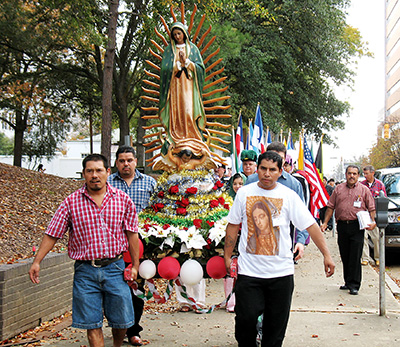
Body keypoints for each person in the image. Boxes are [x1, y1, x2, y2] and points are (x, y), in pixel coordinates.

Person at [224, 151, 335, 346]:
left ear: (280, 171)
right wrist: (227, 257)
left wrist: (327, 254)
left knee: (275, 331)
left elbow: (310, 226)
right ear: (257, 169)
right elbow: (233, 225)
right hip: (250, 273)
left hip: (281, 274)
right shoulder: (244, 194)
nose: (267, 174)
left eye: (272, 170)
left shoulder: (289, 196)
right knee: (246, 321)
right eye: (263, 169)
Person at [28, 154, 139, 347]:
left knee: (121, 321)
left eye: (99, 170)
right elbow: (52, 233)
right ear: (83, 174)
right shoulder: (71, 202)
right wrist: (37, 261)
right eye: (90, 171)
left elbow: (132, 235)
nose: (94, 175)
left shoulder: (122, 200)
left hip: (115, 269)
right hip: (85, 272)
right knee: (92, 324)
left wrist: (135, 265)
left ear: (108, 172)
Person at [108, 146, 156, 346]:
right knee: (117, 289)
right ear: (116, 163)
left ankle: (133, 330)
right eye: (121, 160)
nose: (125, 164)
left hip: (140, 243)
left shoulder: (150, 183)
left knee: (137, 287)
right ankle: (119, 327)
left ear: (136, 161)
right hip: (114, 243)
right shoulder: (108, 183)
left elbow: (158, 210)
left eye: (129, 160)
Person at [153, 22, 214, 171]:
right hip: (175, 87)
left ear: (184, 34)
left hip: (189, 87)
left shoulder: (193, 49)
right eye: (175, 35)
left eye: (179, 34)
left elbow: (201, 68)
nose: (177, 36)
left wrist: (187, 62)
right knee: (177, 112)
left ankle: (192, 137)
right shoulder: (169, 50)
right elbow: (165, 70)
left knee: (188, 111)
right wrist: (177, 66)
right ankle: (177, 137)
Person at [247, 142, 308, 259]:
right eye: (272, 157)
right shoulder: (251, 181)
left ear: (285, 160)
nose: (276, 161)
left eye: (280, 158)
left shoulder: (293, 184)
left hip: (283, 244)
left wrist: (300, 241)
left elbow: (302, 215)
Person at [321, 165, 376, 295]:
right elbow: (330, 207)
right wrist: (325, 223)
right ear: (346, 175)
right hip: (342, 226)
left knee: (355, 255)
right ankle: (347, 281)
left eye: (355, 174)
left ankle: (355, 284)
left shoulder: (364, 190)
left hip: (357, 226)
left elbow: (371, 208)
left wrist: (373, 222)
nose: (352, 176)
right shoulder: (338, 189)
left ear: (358, 175)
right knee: (345, 254)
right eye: (350, 173)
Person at [224, 172, 247, 312]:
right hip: (230, 239)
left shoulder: (246, 198)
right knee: (229, 270)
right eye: (235, 184)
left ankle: (241, 299)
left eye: (240, 183)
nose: (237, 186)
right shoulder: (226, 200)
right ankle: (230, 300)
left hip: (244, 239)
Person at [361, 165, 387, 266]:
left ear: (372, 173)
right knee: (364, 237)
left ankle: (378, 258)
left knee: (376, 237)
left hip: (374, 215)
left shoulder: (380, 185)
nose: (365, 175)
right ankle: (365, 258)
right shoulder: (362, 185)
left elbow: (383, 199)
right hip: (364, 213)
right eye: (364, 174)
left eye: (367, 173)